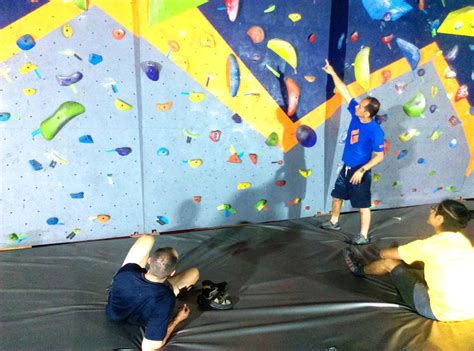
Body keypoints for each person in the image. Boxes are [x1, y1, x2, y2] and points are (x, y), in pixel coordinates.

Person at [344, 199, 474, 321]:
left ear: (439, 219)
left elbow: (384, 254)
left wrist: (395, 252)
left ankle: (359, 269)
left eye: (434, 209)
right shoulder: (464, 241)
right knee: (421, 263)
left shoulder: (427, 246)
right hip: (469, 310)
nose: (430, 210)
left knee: (390, 262)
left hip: (440, 312)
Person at [320, 59, 385, 244]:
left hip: (360, 170)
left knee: (363, 205)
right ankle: (334, 221)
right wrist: (332, 72)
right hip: (347, 167)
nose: (356, 106)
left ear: (367, 114)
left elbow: (380, 156)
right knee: (337, 196)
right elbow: (345, 91)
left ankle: (363, 235)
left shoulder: (375, 131)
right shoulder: (356, 116)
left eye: (360, 106)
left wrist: (362, 170)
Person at [106, 232, 200, 350]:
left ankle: (156, 275)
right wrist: (177, 320)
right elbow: (149, 348)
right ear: (172, 273)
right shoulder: (166, 299)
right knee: (194, 273)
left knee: (147, 238)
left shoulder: (127, 271)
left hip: (114, 314)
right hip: (147, 311)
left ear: (149, 261)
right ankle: (161, 276)